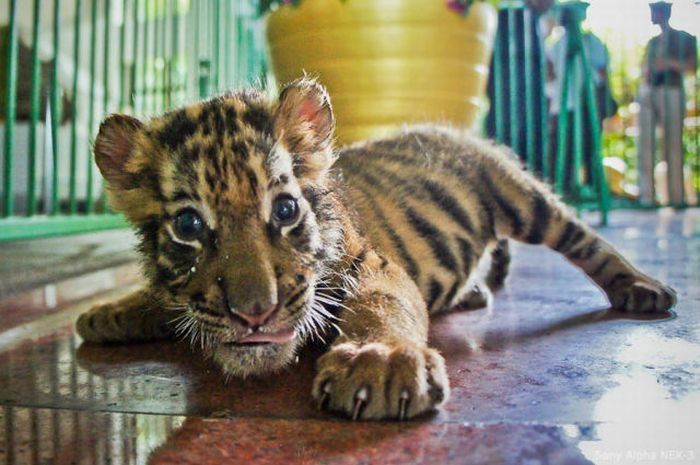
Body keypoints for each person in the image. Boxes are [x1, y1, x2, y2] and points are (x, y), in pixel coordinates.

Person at [546, 2, 613, 189]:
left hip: (584, 105)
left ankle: (588, 187)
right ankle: (564, 188)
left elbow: (601, 74)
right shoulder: (557, 44)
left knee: (588, 151)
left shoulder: (591, 42)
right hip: (563, 105)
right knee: (563, 152)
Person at [637, 1, 697, 206]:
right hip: (650, 91)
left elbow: (691, 67)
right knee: (646, 144)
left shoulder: (685, 39)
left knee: (673, 145)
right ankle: (647, 196)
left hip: (671, 91)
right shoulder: (652, 42)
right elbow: (645, 67)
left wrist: (668, 64)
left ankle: (676, 197)